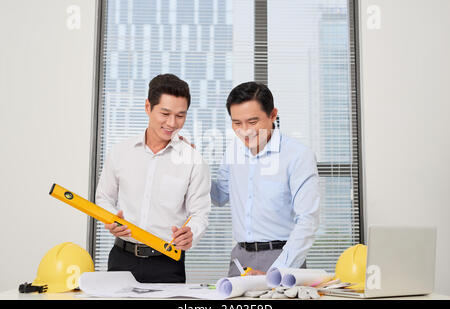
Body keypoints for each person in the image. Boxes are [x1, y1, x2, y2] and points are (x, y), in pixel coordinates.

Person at [95, 74, 211, 283]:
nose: (172, 123)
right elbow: (103, 197)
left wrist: (191, 233)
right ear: (148, 107)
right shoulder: (120, 152)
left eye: (180, 115)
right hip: (121, 259)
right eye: (165, 113)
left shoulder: (193, 160)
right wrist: (112, 219)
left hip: (167, 262)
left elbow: (200, 213)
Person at [211, 81, 320, 276]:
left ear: (273, 115)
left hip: (283, 259)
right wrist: (194, 167)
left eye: (253, 122)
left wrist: (277, 272)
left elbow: (308, 220)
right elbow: (219, 196)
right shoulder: (232, 151)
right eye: (237, 123)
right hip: (240, 259)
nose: (245, 130)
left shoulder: (297, 155)